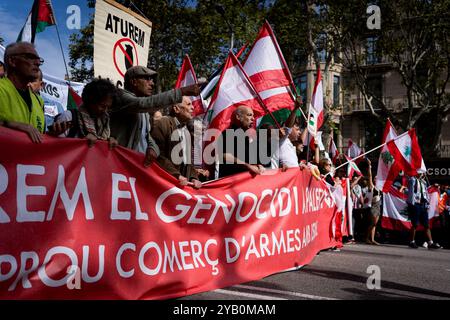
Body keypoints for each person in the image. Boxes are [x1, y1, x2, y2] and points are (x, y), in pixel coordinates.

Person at [110, 65, 200, 167]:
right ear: (134, 81)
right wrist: (181, 92)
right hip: (119, 165)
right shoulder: (121, 96)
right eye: (147, 79)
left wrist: (153, 148)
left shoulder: (144, 112)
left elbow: (147, 136)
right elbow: (143, 104)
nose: (152, 83)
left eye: (152, 80)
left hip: (136, 168)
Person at [151, 96, 202, 189]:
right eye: (188, 104)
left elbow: (188, 161)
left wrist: (193, 177)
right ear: (176, 109)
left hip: (181, 187)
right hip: (165, 184)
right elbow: (158, 155)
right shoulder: (162, 123)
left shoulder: (187, 131)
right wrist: (177, 175)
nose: (193, 107)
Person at [0, 42, 45, 142]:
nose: (37, 63)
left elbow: (39, 137)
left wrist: (53, 135)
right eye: (30, 57)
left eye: (38, 60)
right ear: (12, 61)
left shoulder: (38, 101)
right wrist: (8, 124)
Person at [64, 78, 118, 148]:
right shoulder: (68, 117)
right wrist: (81, 142)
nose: (105, 111)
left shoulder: (104, 123)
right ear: (90, 101)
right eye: (102, 106)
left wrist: (108, 142)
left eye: (108, 107)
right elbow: (58, 149)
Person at [218, 106, 265, 178]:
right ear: (238, 117)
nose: (253, 119)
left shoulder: (248, 137)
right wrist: (248, 166)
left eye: (253, 116)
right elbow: (225, 156)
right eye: (249, 115)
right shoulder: (228, 133)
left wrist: (259, 165)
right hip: (231, 182)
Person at [406, 172, 441, 249]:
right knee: (415, 224)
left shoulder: (423, 182)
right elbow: (410, 180)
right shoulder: (412, 180)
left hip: (423, 205)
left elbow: (425, 192)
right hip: (415, 204)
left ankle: (430, 243)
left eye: (422, 172)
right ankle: (411, 241)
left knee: (426, 225)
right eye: (420, 172)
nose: (422, 173)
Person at [364, 159, 382, 245]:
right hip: (374, 206)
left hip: (378, 206)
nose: (376, 179)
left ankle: (372, 239)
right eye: (375, 178)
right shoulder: (372, 186)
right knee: (373, 222)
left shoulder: (380, 187)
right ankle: (366, 238)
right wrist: (369, 166)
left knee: (374, 224)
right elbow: (370, 176)